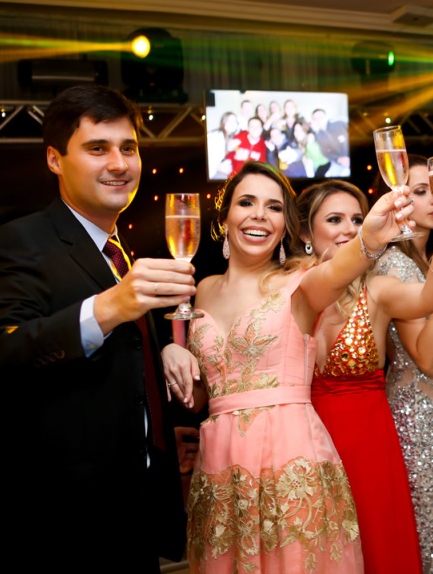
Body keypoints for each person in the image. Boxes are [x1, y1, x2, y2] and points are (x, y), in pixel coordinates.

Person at [0, 84, 197, 571]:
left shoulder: (118, 252)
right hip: (59, 519)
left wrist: (159, 363)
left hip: (132, 507)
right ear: (55, 159)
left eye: (128, 148)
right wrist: (108, 307)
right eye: (97, 148)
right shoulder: (20, 241)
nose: (119, 163)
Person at [162, 160, 415, 573]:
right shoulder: (201, 290)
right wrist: (172, 354)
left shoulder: (301, 282)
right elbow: (200, 398)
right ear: (224, 218)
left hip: (289, 463)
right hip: (221, 469)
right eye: (247, 202)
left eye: (274, 207)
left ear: (285, 227)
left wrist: (369, 238)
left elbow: (340, 269)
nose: (260, 215)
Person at [298, 180, 433, 574]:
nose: (348, 229)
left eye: (357, 219)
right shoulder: (284, 290)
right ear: (305, 233)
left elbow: (430, 299)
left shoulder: (376, 290)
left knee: (377, 548)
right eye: (334, 219)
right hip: (302, 444)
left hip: (368, 444)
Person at [372, 155, 433, 574]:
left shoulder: (424, 261)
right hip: (415, 418)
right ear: (398, 201)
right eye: (420, 191)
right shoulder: (396, 263)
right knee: (426, 533)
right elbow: (427, 358)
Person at [207, 110, 239, 180]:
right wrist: (218, 167)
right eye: (229, 121)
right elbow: (209, 158)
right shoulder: (217, 135)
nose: (233, 124)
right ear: (224, 123)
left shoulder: (227, 137)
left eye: (235, 122)